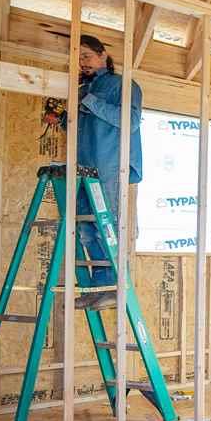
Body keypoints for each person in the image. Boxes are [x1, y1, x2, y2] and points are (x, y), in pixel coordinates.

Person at [74, 34, 143, 307]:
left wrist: (90, 101)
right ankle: (98, 288)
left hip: (109, 166)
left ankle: (115, 287)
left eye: (86, 56)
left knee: (107, 227)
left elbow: (131, 121)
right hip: (83, 169)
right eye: (78, 59)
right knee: (86, 230)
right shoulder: (83, 89)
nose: (82, 63)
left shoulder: (122, 85)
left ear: (103, 55)